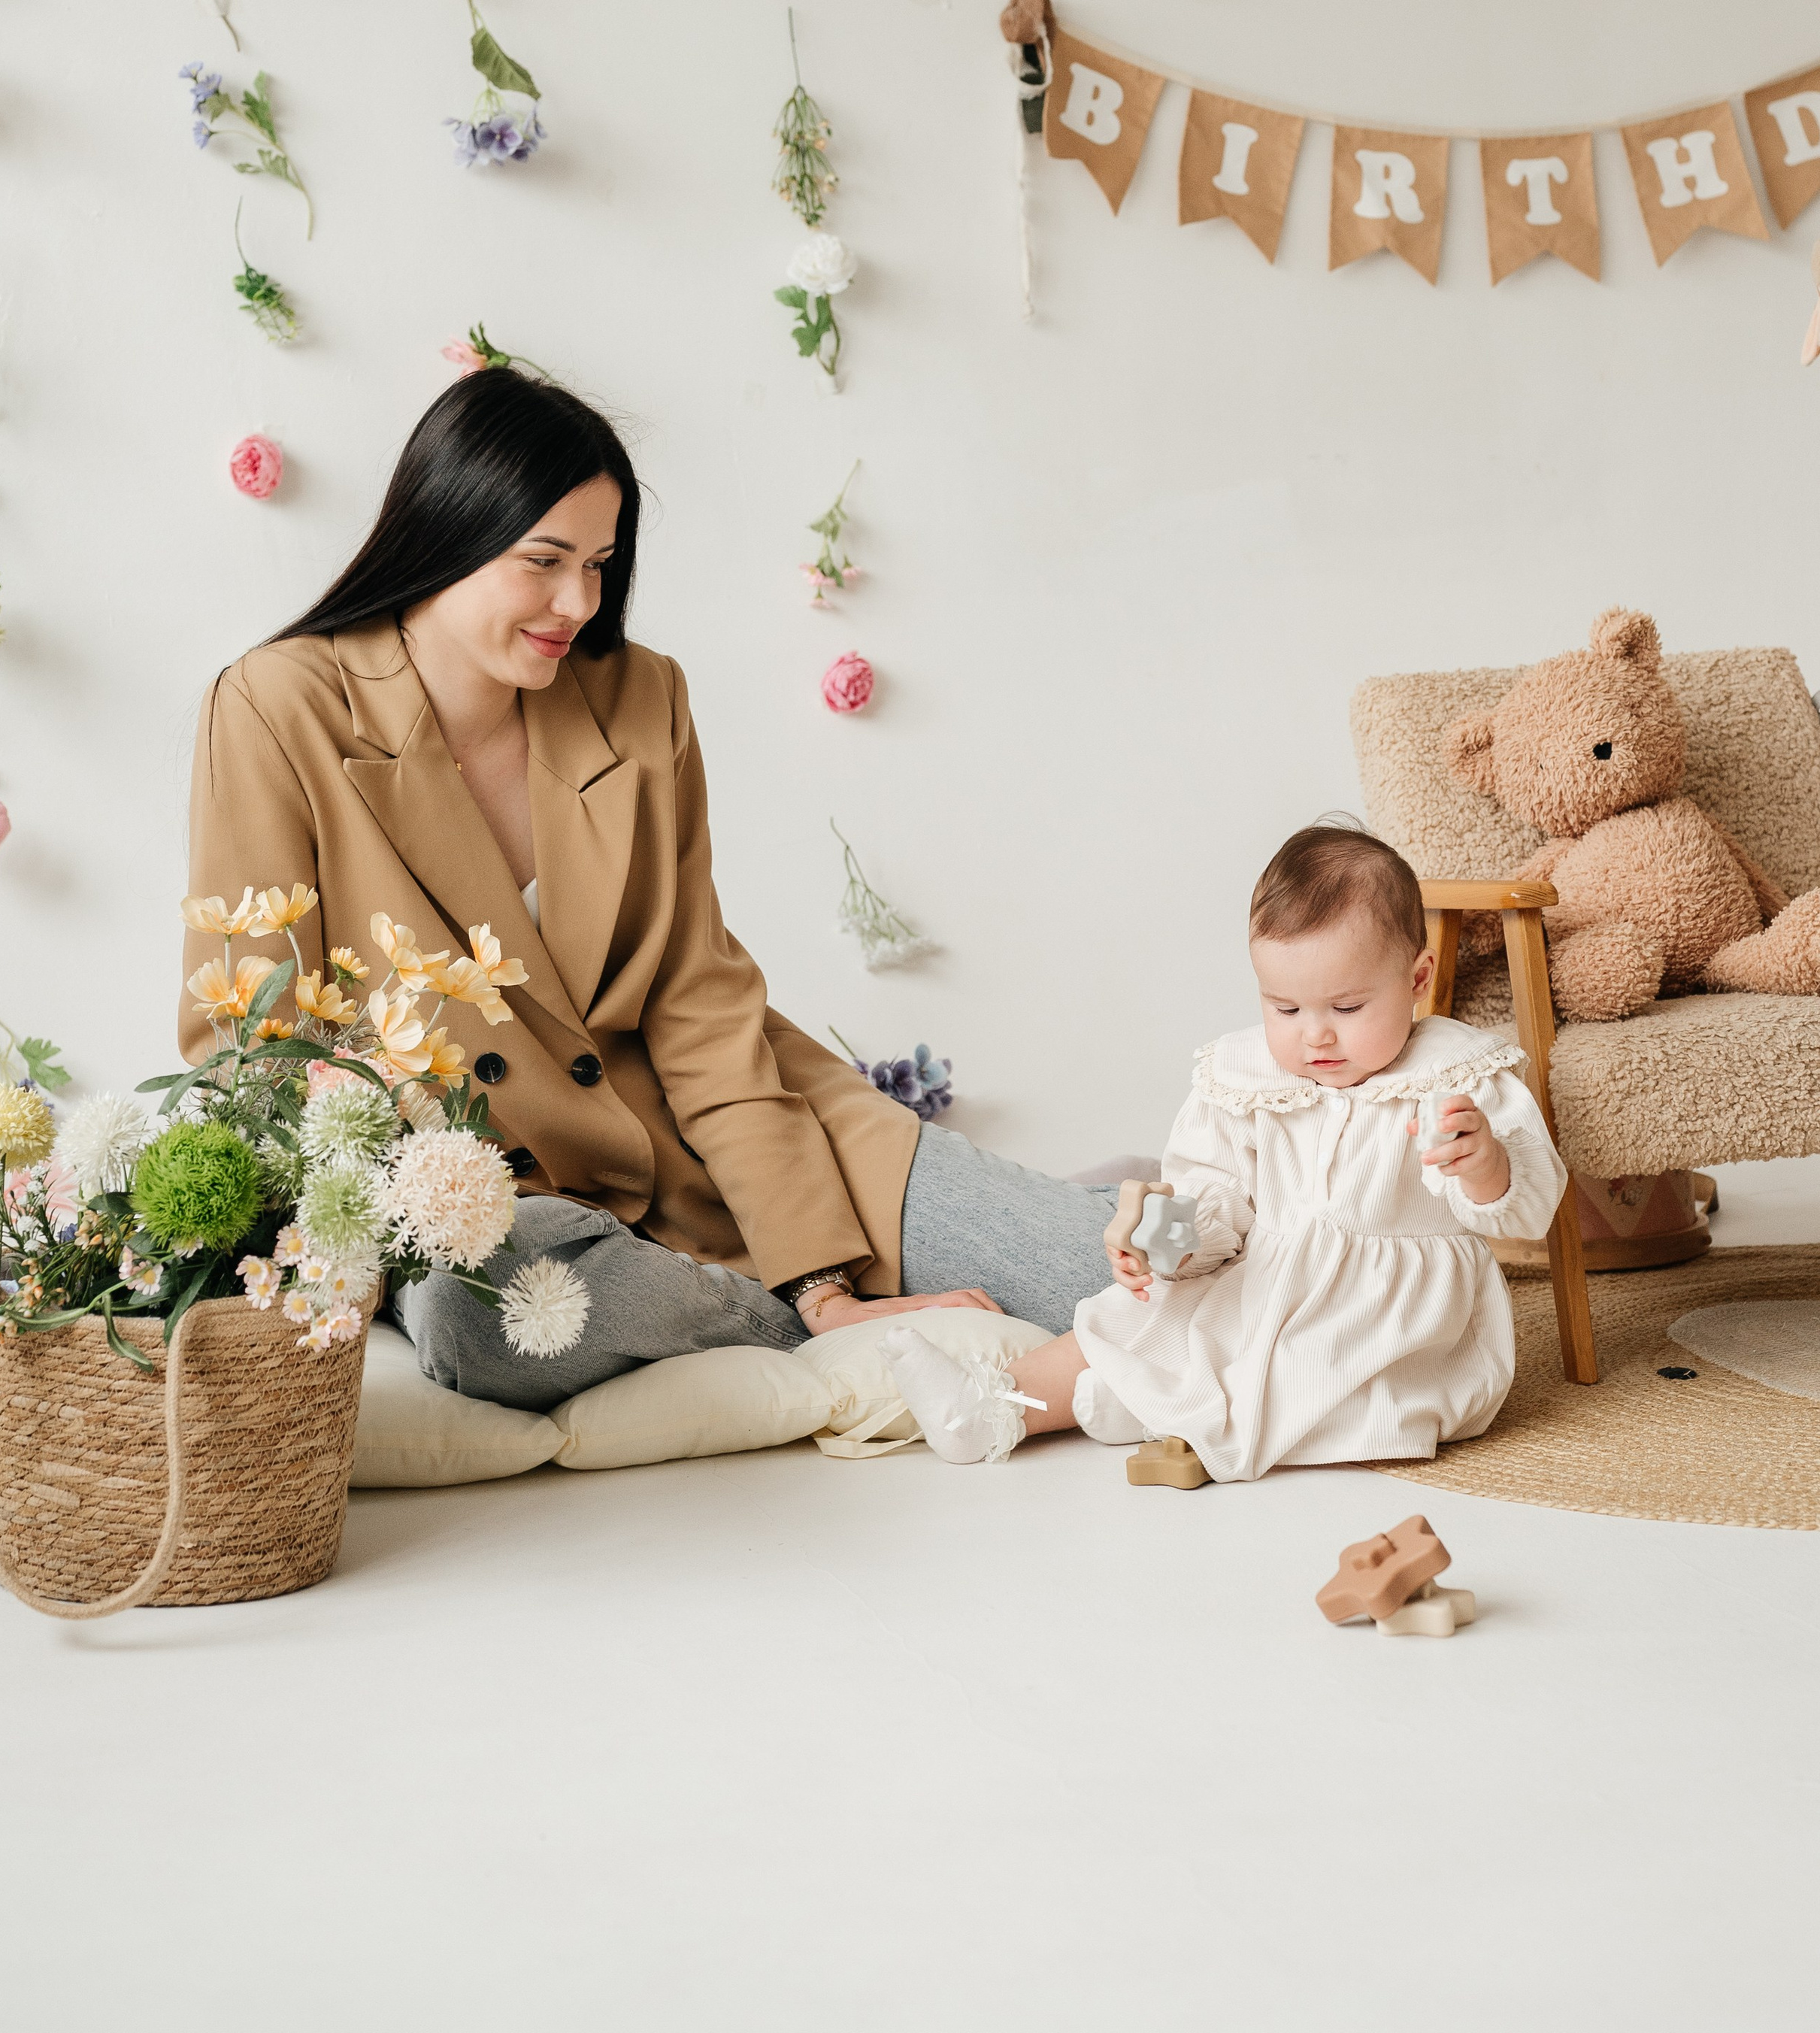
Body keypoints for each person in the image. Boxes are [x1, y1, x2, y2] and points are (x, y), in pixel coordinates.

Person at [182, 363, 1120, 1406]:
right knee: (477, 1313)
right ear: (445, 533)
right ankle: (768, 1325)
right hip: (491, 1204)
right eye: (545, 562)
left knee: (1116, 1271)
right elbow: (250, 1038)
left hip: (744, 1150)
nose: (579, 603)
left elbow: (698, 1004)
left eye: (600, 564)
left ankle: (1135, 1197)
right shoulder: (278, 707)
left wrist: (825, 1282)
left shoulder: (640, 696)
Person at [881, 820, 1567, 1478]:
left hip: (1384, 1321)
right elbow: (1215, 1197)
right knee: (1128, 1326)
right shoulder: (1244, 1080)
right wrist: (1167, 1238)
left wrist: (1486, 1166)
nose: (1316, 1036)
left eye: (1347, 1008)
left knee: (1299, 1377)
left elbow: (1528, 1208)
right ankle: (994, 1406)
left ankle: (1152, 1411)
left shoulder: (1455, 1078)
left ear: (1416, 981)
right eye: (1286, 1009)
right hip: (1262, 1279)